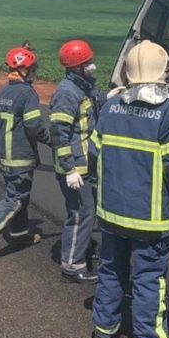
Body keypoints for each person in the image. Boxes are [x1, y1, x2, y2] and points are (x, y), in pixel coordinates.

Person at [91, 40, 169, 338]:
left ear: (127, 71)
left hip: (111, 212)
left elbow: (95, 155)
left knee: (111, 269)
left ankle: (103, 328)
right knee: (148, 278)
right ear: (163, 71)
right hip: (151, 219)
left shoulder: (109, 108)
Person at [0, 46, 50, 263]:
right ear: (24, 70)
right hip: (21, 157)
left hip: (4, 157)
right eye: (33, 69)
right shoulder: (27, 94)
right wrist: (52, 140)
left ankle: (19, 234)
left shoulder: (3, 92)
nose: (35, 73)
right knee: (14, 198)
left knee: (21, 196)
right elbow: (34, 126)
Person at [49, 39, 105, 283]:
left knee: (86, 211)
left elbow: (96, 101)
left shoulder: (83, 87)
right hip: (75, 168)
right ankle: (72, 265)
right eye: (87, 62)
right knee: (81, 213)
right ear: (76, 67)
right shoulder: (66, 92)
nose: (92, 65)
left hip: (85, 165)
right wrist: (70, 169)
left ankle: (77, 255)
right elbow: (59, 133)